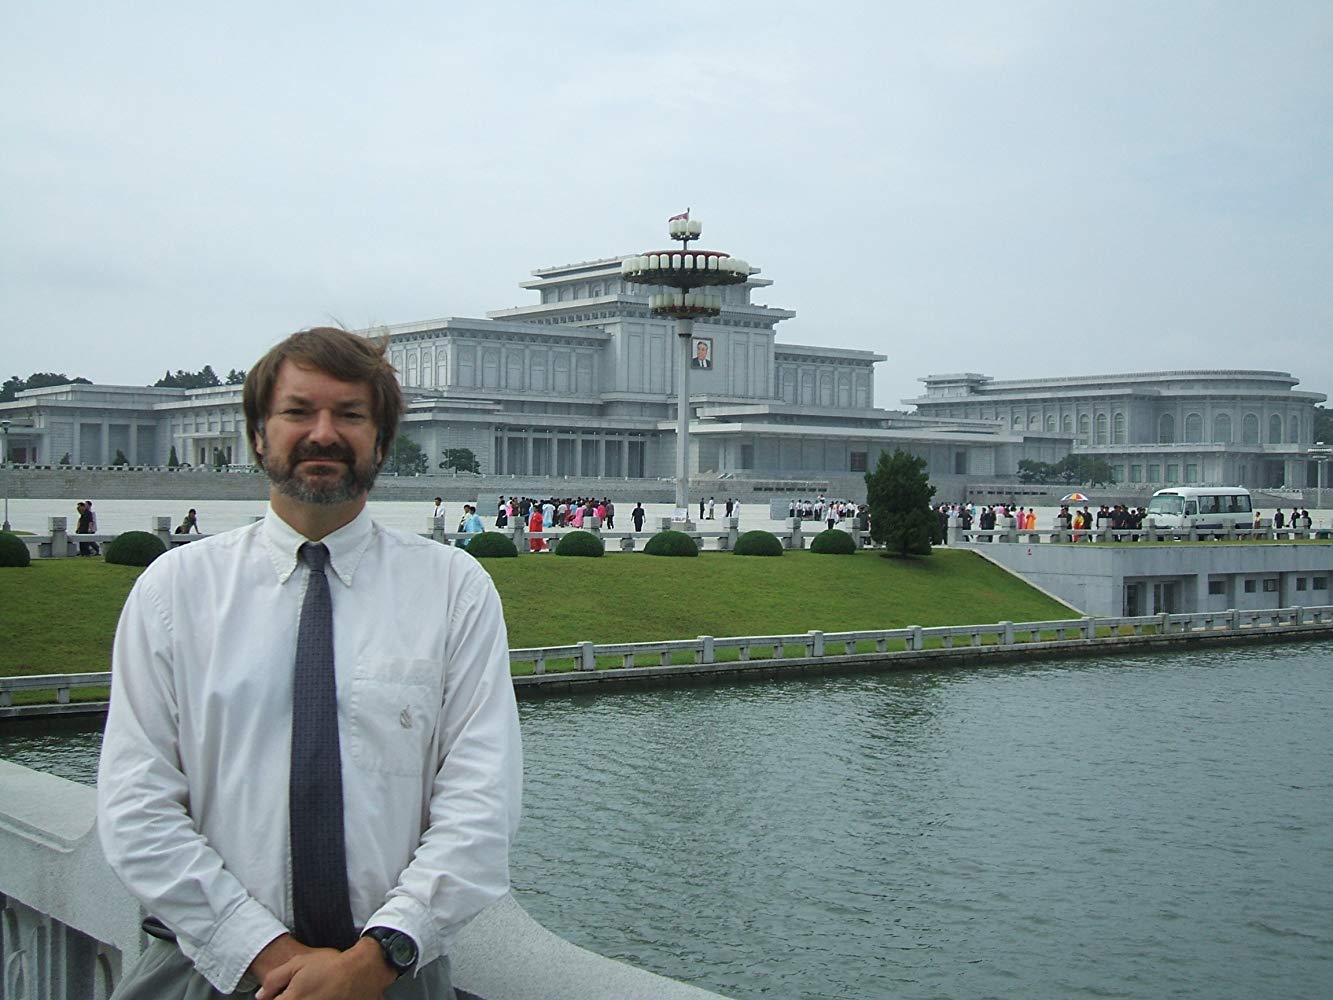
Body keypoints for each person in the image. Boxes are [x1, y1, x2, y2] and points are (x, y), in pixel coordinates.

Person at [97, 327, 522, 1000]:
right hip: (204, 969)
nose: (323, 433)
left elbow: (481, 804)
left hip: (389, 974)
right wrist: (264, 952)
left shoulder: (452, 590)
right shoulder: (176, 590)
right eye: (298, 412)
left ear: (381, 441)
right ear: (259, 434)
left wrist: (375, 958)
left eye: (350, 415)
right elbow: (135, 803)